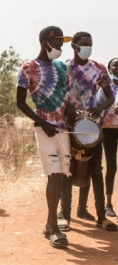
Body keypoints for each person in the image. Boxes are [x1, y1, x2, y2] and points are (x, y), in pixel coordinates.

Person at [16, 26, 71, 248]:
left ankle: (50, 224)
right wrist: (43, 123)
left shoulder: (61, 67)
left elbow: (68, 97)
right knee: (53, 174)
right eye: (58, 42)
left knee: (60, 176)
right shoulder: (28, 68)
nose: (60, 47)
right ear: (45, 42)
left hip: (64, 129)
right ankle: (54, 229)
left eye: (61, 43)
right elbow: (20, 102)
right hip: (45, 129)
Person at [59, 32, 116, 231]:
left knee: (96, 171)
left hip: (92, 126)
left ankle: (102, 216)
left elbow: (109, 97)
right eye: (84, 44)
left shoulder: (98, 68)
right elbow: (58, 96)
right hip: (69, 127)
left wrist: (100, 109)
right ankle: (64, 216)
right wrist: (67, 111)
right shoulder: (64, 68)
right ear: (74, 46)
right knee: (67, 170)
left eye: (90, 44)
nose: (88, 48)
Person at [100, 58, 118, 217]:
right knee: (112, 165)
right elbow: (98, 106)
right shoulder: (105, 87)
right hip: (108, 129)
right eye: (115, 66)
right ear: (109, 69)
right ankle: (108, 203)